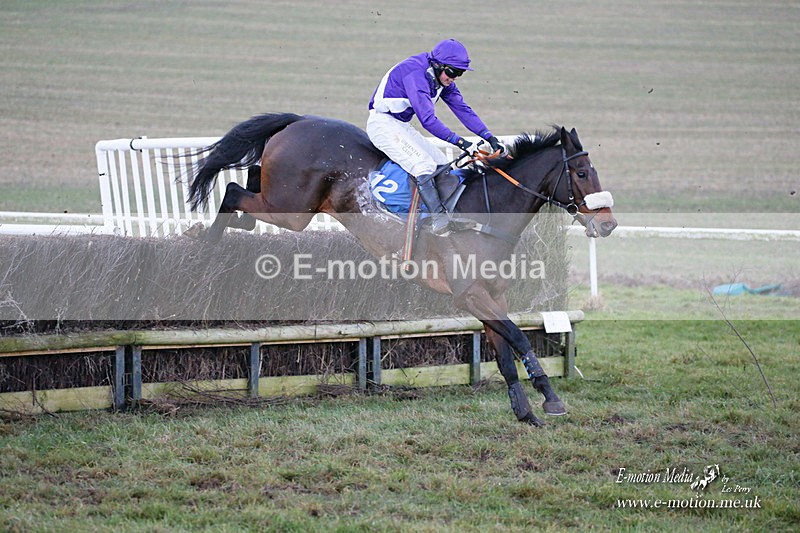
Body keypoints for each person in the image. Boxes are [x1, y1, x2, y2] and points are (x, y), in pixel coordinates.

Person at [367, 38, 504, 234]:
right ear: (438, 65)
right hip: (382, 124)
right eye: (452, 72)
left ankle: (448, 214)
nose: (454, 78)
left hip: (400, 124)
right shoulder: (416, 74)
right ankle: (436, 219)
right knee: (423, 165)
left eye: (460, 73)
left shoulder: (440, 77)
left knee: (441, 163)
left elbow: (462, 108)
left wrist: (488, 136)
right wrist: (461, 141)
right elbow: (428, 120)